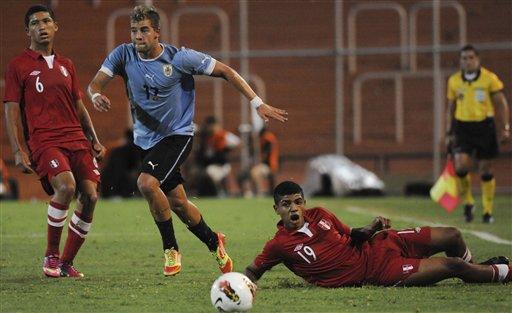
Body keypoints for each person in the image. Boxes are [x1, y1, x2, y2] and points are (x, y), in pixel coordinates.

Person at [87, 5, 287, 276]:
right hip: (147, 141)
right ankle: (213, 241)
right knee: (179, 203)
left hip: (178, 136)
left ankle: (170, 248)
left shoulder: (180, 59)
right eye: (134, 31)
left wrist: (257, 102)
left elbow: (227, 71)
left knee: (146, 183)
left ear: (157, 33)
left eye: (144, 30)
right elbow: (95, 84)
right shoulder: (123, 55)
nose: (137, 36)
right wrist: (96, 96)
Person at [244, 181, 511, 287]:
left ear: (304, 201)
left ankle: (474, 271)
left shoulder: (321, 214)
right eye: (287, 204)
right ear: (276, 209)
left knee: (453, 235)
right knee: (452, 265)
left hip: (383, 243)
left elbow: (352, 235)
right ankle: (503, 273)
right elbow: (252, 271)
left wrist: (371, 228)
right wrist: (234, 288)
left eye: (298, 201)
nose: (294, 208)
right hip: (379, 271)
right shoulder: (279, 245)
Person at [3, 5, 106, 278]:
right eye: (35, 23)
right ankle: (51, 255)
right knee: (66, 186)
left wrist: (93, 139)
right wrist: (17, 149)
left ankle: (66, 262)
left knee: (91, 195)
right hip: (44, 140)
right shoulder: (18, 66)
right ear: (28, 31)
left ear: (55, 26)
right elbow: (11, 108)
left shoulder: (67, 65)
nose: (42, 26)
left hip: (76, 138)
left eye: (47, 20)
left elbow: (79, 106)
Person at [446, 44, 510, 224]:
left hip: (484, 127)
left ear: (477, 59)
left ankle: (488, 211)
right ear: (461, 61)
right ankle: (468, 203)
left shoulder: (489, 79)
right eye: (464, 58)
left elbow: (501, 103)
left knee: (485, 169)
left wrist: (505, 127)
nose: (467, 61)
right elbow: (450, 107)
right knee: (460, 166)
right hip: (463, 127)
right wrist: (448, 131)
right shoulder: (454, 81)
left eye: (470, 58)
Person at [196, 116, 241, 197]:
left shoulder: (222, 135)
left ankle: (222, 192)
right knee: (202, 172)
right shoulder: (205, 137)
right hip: (209, 165)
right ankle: (211, 193)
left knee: (210, 171)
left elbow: (238, 144)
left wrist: (228, 151)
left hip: (221, 165)